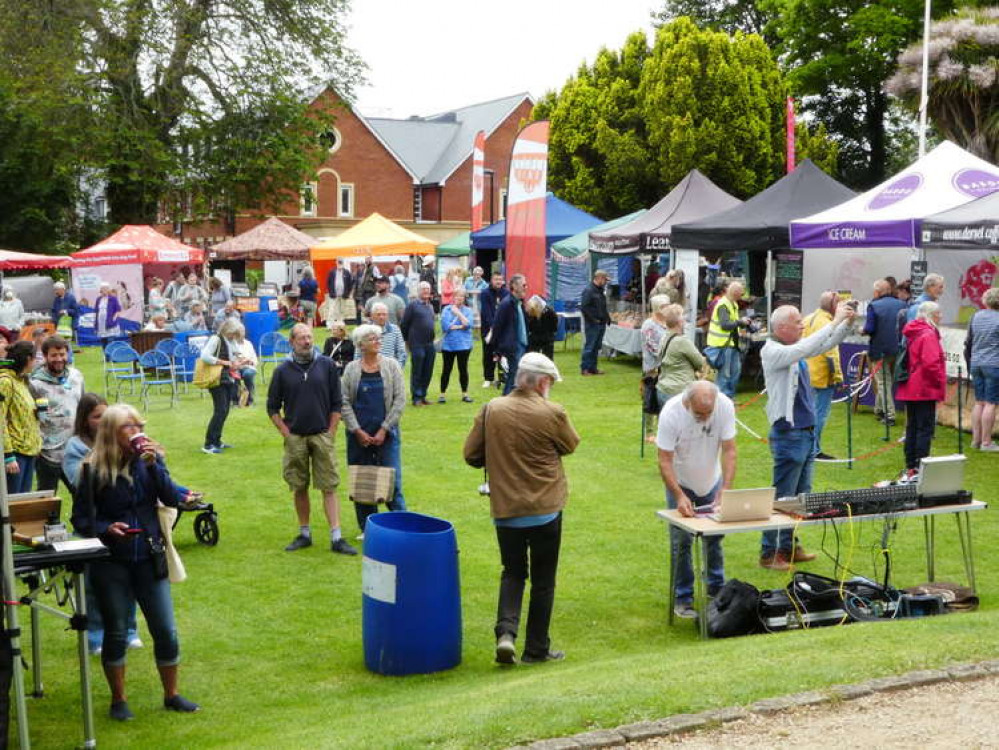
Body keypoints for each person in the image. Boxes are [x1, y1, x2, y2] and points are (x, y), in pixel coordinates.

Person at [69, 404, 200, 721]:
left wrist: (157, 466)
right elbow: (82, 520)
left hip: (149, 555)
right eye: (129, 426)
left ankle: (172, 695)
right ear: (112, 433)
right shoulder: (90, 470)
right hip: (112, 561)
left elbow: (171, 499)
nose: (137, 431)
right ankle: (119, 700)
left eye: (139, 424)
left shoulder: (148, 463)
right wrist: (106, 529)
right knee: (115, 632)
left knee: (165, 630)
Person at [463, 353, 579, 665]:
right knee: (543, 581)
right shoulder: (552, 411)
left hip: (506, 509)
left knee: (512, 572)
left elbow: (471, 455)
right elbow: (571, 444)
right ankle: (536, 649)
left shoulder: (491, 409)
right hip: (546, 508)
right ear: (542, 382)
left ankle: (506, 635)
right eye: (550, 383)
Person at [760, 302, 855, 569]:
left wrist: (846, 324)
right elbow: (806, 347)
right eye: (797, 322)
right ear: (781, 328)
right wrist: (834, 322)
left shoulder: (790, 350)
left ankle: (789, 547)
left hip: (805, 433)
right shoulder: (773, 350)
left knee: (800, 497)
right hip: (789, 434)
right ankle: (768, 553)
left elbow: (821, 346)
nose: (803, 325)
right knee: (782, 496)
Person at [62, 394, 142, 656]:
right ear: (85, 421)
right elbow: (78, 480)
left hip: (121, 525)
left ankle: (129, 631)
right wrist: (101, 458)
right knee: (93, 587)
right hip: (91, 523)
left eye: (106, 416)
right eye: (97, 416)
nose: (102, 421)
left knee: (127, 582)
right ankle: (96, 636)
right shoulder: (76, 447)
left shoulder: (129, 447)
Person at [267, 323, 356, 555]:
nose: (307, 341)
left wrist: (331, 431)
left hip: (321, 435)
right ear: (292, 342)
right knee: (299, 486)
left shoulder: (326, 365)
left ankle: (336, 537)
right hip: (295, 437)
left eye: (309, 337)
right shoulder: (282, 371)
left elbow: (337, 402)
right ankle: (304, 533)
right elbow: (272, 408)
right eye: (302, 338)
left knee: (329, 486)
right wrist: (286, 433)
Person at [657, 381, 737, 618]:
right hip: (681, 481)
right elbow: (664, 459)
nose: (704, 418)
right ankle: (683, 597)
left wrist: (725, 489)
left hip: (711, 480)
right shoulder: (671, 413)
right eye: (698, 413)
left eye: (708, 413)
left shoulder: (724, 406)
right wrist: (679, 495)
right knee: (681, 541)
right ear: (687, 401)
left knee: (714, 536)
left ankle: (716, 587)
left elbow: (730, 450)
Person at [341, 324, 407, 534]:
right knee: (363, 484)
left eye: (378, 338)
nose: (378, 342)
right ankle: (369, 529)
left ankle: (402, 526)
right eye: (372, 339)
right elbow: (343, 402)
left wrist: (384, 429)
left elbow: (399, 400)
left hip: (386, 435)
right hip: (358, 436)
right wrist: (357, 430)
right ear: (361, 345)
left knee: (393, 484)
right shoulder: (351, 369)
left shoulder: (391, 366)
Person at [895, 302, 947, 483]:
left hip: (911, 386)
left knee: (913, 427)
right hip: (924, 387)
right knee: (924, 428)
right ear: (931, 315)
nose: (941, 316)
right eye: (939, 313)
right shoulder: (928, 334)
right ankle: (919, 466)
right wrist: (940, 384)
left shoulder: (915, 331)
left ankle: (911, 466)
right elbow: (931, 364)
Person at [29, 335, 85, 493]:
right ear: (45, 356)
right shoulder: (35, 383)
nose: (59, 359)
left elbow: (83, 408)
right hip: (47, 453)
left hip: (74, 450)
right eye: (54, 355)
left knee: (82, 496)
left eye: (62, 355)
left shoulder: (76, 376)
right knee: (46, 499)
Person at [802, 291, 844, 460]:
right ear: (834, 306)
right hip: (821, 377)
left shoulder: (809, 318)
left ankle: (808, 448)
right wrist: (838, 377)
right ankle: (814, 450)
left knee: (808, 414)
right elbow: (831, 353)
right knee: (819, 415)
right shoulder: (827, 322)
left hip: (807, 373)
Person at [864, 279, 908, 427]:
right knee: (886, 381)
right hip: (898, 349)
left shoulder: (873, 306)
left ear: (877, 292)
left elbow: (869, 329)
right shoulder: (902, 304)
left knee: (883, 382)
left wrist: (860, 331)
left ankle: (889, 415)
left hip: (880, 350)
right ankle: (879, 410)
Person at [0, 341, 42, 493]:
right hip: (15, 454)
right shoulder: (5, 382)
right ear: (27, 359)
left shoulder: (22, 381)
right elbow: (0, 420)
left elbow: (20, 413)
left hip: (29, 451)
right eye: (35, 358)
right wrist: (8, 455)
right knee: (12, 505)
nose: (36, 362)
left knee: (24, 503)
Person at [199, 318, 243, 454]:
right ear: (227, 330)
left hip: (227, 378)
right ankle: (208, 444)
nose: (234, 337)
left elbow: (234, 357)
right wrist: (224, 362)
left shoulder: (231, 341)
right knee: (220, 410)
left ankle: (217, 441)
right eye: (233, 334)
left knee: (224, 410)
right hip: (216, 378)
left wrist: (239, 362)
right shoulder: (216, 339)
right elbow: (204, 356)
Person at [704, 280, 751, 398]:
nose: (742, 296)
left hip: (732, 344)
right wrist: (740, 322)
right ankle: (722, 399)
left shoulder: (733, 304)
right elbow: (725, 325)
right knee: (724, 375)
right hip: (722, 345)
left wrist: (741, 325)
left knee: (735, 372)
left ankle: (729, 397)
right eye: (741, 294)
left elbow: (732, 323)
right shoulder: (723, 305)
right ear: (735, 293)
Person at [967, 287, 999, 451]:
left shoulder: (975, 316)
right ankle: (986, 442)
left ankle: (976, 440)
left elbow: (969, 340)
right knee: (991, 403)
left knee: (979, 402)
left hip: (976, 362)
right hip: (994, 364)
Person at [656, 304, 706, 407]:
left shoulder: (664, 338)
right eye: (683, 317)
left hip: (663, 388)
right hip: (678, 391)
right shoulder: (682, 341)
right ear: (680, 322)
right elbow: (700, 363)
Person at [490, 274, 529, 395]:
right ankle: (505, 402)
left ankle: (511, 403)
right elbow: (497, 326)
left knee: (517, 377)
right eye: (523, 285)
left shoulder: (519, 303)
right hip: (512, 346)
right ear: (514, 286)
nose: (526, 287)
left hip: (521, 344)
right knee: (513, 377)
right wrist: (496, 349)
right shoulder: (506, 304)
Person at [400, 281, 437, 407]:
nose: (426, 291)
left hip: (430, 344)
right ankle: (416, 397)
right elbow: (404, 324)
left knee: (428, 371)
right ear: (418, 291)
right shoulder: (412, 306)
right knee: (417, 371)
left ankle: (423, 395)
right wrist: (407, 341)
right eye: (423, 289)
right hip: (416, 343)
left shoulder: (430, 306)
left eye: (428, 289)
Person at [438, 288, 474, 404]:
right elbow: (445, 326)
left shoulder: (468, 310)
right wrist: (461, 326)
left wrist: (458, 313)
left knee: (463, 370)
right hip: (449, 345)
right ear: (453, 297)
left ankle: (465, 394)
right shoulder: (446, 310)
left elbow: (469, 325)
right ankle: (442, 394)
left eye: (462, 296)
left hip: (464, 345)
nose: (460, 298)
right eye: (458, 296)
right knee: (446, 370)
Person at [479, 273, 509, 388]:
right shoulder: (485, 293)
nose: (498, 282)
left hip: (503, 330)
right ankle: (488, 378)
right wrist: (493, 326)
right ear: (491, 280)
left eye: (500, 279)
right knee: (488, 354)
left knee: (502, 353)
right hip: (488, 329)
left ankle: (502, 377)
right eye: (496, 279)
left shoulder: (506, 293)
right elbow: (486, 312)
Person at [580, 270, 611, 376]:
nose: (606, 282)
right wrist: (593, 320)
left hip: (601, 323)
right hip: (593, 324)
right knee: (590, 346)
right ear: (599, 278)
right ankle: (585, 368)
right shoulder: (589, 290)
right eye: (605, 280)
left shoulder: (600, 291)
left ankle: (593, 368)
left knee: (596, 347)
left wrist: (607, 317)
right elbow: (584, 307)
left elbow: (603, 306)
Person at [366, 302, 406, 368]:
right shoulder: (365, 330)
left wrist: (398, 369)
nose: (381, 317)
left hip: (389, 370)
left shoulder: (395, 329)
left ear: (387, 316)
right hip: (369, 370)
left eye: (384, 314)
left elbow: (401, 352)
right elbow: (358, 354)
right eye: (378, 314)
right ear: (372, 316)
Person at [227, 323, 258, 407]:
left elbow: (254, 359)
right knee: (234, 375)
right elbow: (233, 359)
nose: (242, 333)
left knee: (248, 374)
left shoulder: (248, 343)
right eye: (240, 331)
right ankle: (235, 401)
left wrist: (250, 362)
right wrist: (242, 361)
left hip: (248, 367)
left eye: (243, 331)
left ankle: (250, 400)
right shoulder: (232, 345)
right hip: (236, 367)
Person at [641, 295, 671, 378]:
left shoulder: (669, 323)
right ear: (656, 308)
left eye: (668, 306)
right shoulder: (649, 325)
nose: (668, 309)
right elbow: (652, 347)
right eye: (664, 307)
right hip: (653, 369)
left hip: (669, 367)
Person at [525, 295, 558, 360]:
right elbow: (529, 326)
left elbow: (554, 327)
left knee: (548, 360)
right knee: (531, 359)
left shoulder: (550, 312)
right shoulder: (531, 313)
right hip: (534, 339)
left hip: (547, 339)